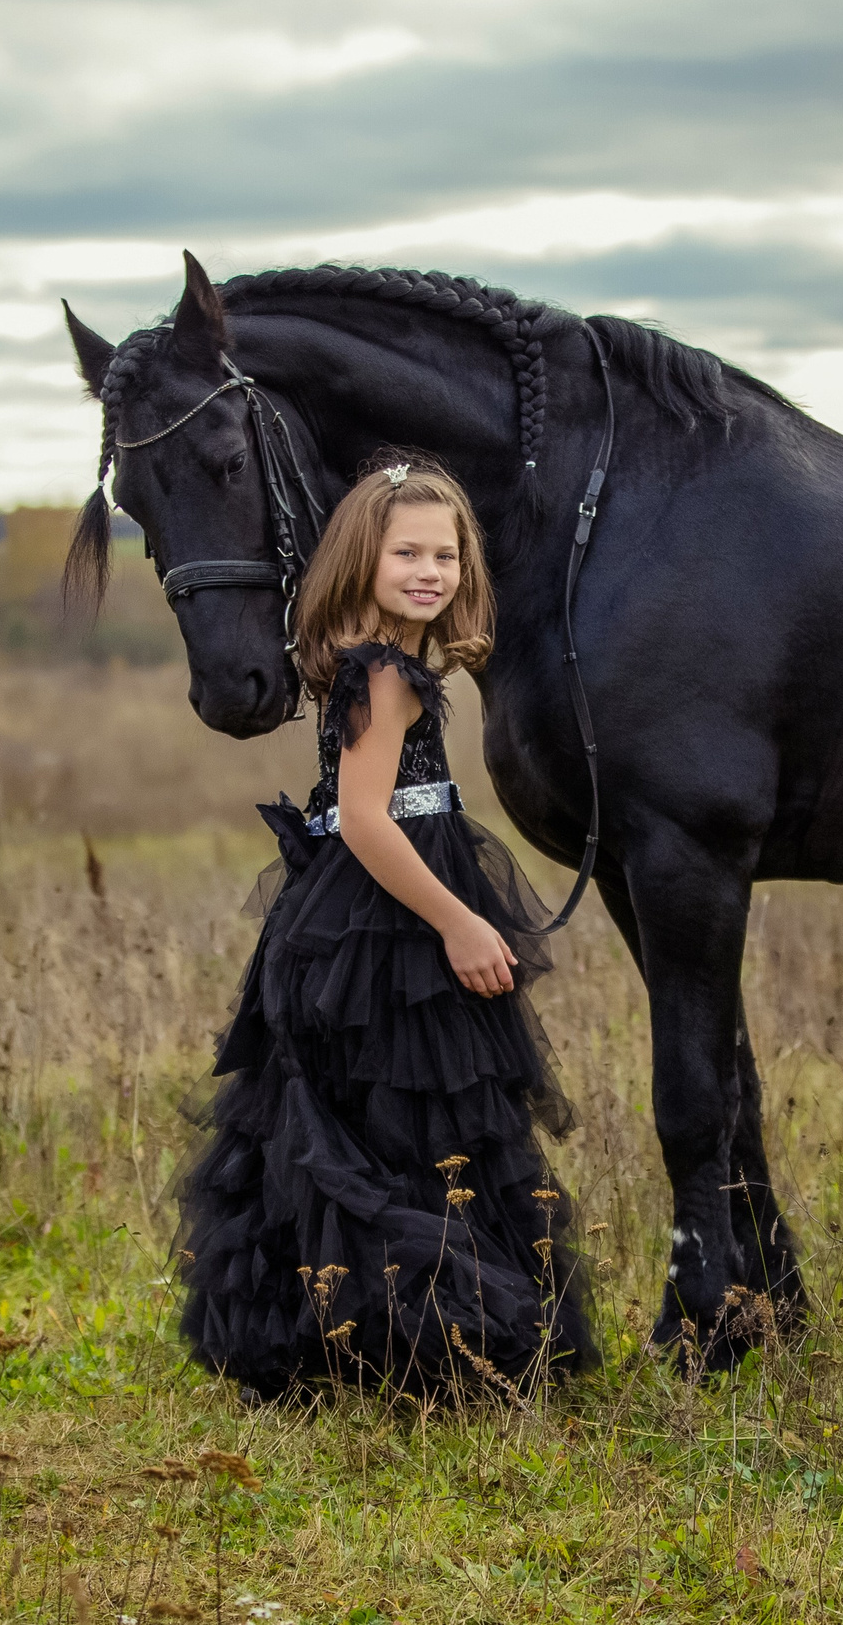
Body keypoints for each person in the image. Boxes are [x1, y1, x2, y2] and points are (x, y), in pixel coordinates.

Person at [178, 452, 598, 1398]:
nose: (429, 571)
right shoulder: (386, 676)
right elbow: (368, 818)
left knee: (378, 1116)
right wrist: (458, 922)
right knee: (414, 1113)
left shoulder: (378, 665)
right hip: (391, 913)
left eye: (445, 556)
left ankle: (365, 1331)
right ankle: (417, 1335)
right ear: (361, 560)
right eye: (406, 551)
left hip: (371, 903)